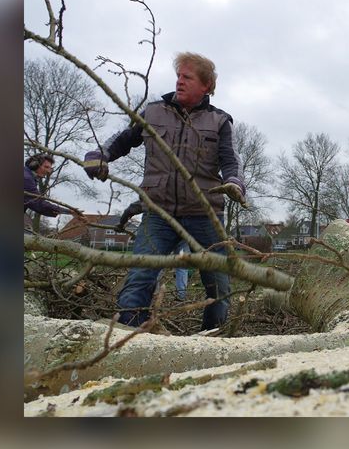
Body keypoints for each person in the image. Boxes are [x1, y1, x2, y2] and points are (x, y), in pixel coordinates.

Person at [83, 52, 245, 330]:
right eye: (178, 76)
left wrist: (235, 182)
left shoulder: (219, 121)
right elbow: (122, 140)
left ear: (206, 86)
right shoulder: (154, 112)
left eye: (187, 77)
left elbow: (231, 160)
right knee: (139, 279)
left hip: (205, 214)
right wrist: (100, 155)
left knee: (219, 285)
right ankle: (130, 341)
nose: (179, 81)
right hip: (158, 212)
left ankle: (212, 341)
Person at [23, 154, 63, 228]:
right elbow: (38, 203)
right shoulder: (26, 178)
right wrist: (67, 211)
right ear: (34, 165)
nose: (48, 171)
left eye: (50, 168)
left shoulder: (27, 176)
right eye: (46, 167)